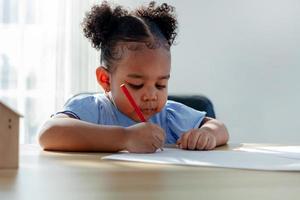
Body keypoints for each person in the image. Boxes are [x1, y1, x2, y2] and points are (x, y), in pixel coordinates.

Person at [39, 1, 229, 153]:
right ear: (106, 79)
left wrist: (207, 134)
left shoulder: (168, 116)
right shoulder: (93, 110)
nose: (151, 95)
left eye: (161, 84)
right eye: (137, 85)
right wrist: (125, 137)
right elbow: (49, 133)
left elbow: (219, 128)